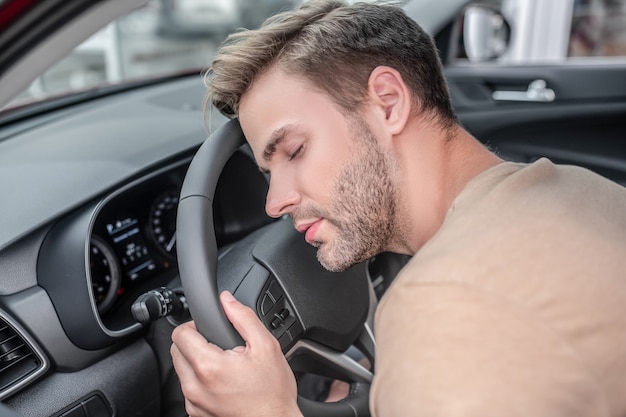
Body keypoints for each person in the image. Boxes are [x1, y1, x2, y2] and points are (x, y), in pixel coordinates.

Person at [170, 0, 626, 416]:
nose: (274, 204)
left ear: (388, 103)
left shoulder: (449, 304)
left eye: (293, 151)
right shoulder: (582, 189)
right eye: (268, 175)